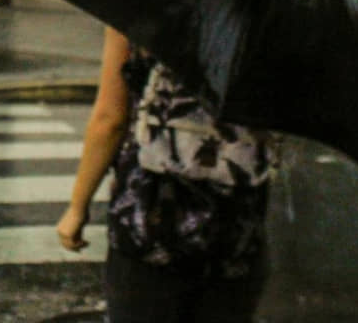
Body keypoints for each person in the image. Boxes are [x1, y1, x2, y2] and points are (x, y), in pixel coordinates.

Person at [56, 28, 277, 323]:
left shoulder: (141, 7)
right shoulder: (270, 19)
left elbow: (110, 119)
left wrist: (77, 207)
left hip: (152, 214)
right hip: (236, 221)